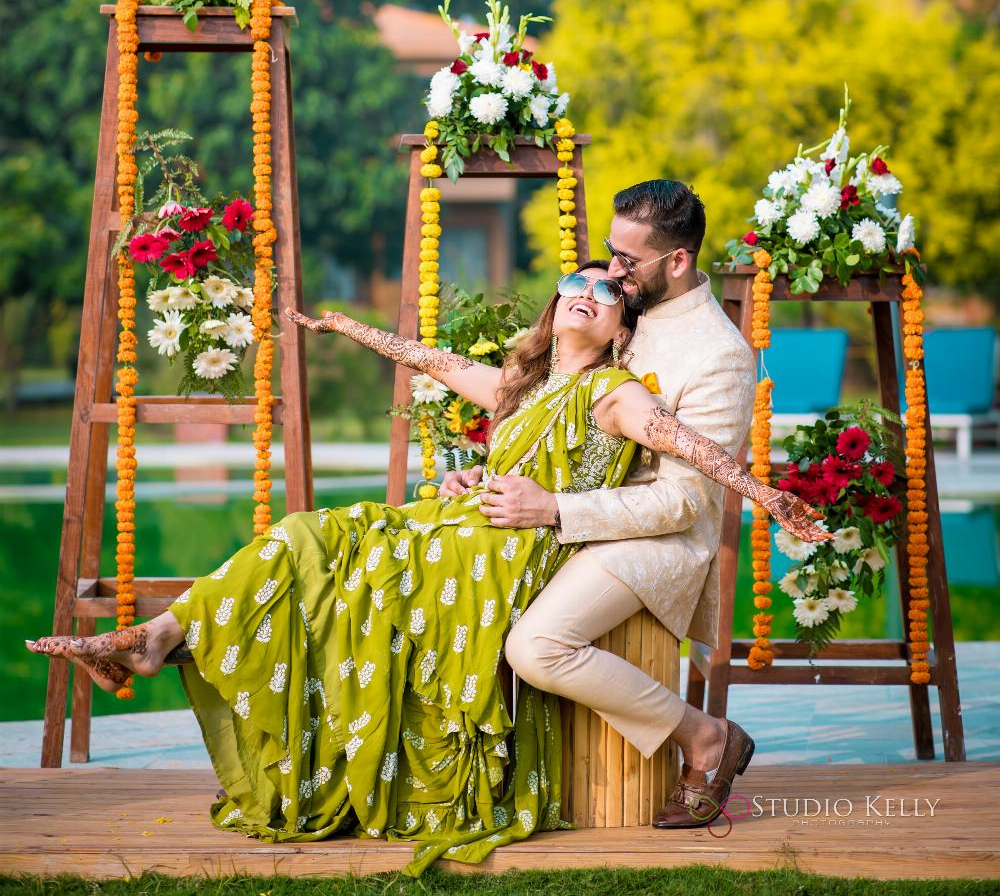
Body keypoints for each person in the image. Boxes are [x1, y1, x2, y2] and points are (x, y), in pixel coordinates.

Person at [27, 261, 829, 871]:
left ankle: (160, 643)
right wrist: (344, 328)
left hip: (513, 554)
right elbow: (434, 361)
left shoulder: (612, 391)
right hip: (463, 530)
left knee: (323, 550)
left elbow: (687, 445)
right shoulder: (525, 388)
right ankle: (162, 636)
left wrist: (771, 497)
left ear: (621, 327)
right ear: (556, 308)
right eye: (574, 280)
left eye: (608, 289)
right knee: (306, 537)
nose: (587, 288)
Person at [445, 181, 768, 829]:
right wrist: (496, 475)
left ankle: (705, 738)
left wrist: (556, 509)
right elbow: (559, 419)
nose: (612, 273)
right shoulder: (627, 307)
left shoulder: (719, 356)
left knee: (535, 647)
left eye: (628, 261)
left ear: (676, 261)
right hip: (569, 512)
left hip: (654, 540)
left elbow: (681, 501)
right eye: (609, 254)